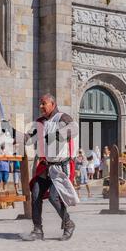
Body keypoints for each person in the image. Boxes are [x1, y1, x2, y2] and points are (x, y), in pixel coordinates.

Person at [21, 94, 79, 241]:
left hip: (59, 167)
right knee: (35, 195)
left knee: (54, 197)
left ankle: (68, 223)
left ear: (53, 104)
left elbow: (74, 128)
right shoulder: (39, 122)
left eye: (44, 104)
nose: (41, 107)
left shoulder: (62, 117)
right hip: (45, 166)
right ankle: (37, 230)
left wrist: (56, 135)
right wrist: (10, 131)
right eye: (40, 104)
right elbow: (28, 139)